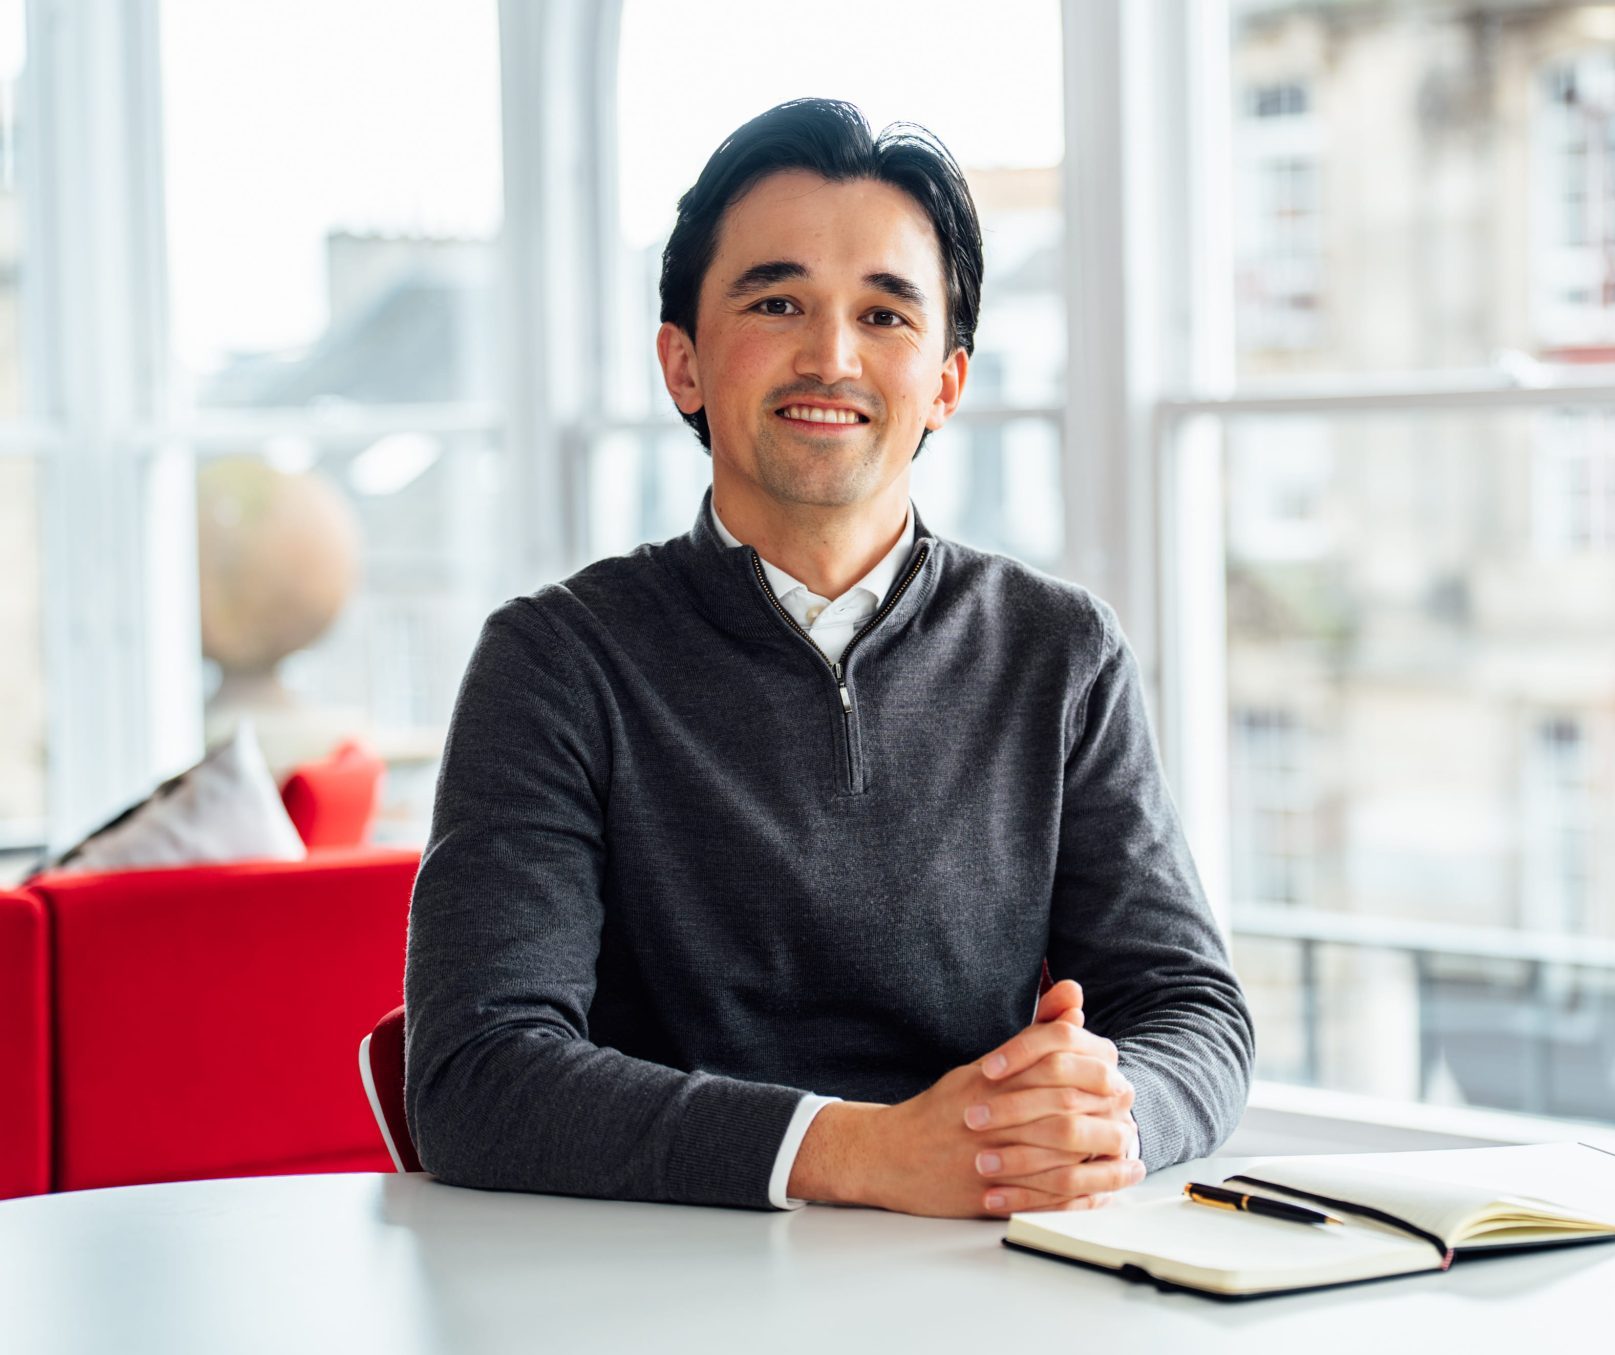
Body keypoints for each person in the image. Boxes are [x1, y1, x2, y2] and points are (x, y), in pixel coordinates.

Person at [404, 97, 1254, 1220]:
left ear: (947, 383)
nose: (831, 355)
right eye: (777, 301)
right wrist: (864, 1151)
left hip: (996, 1276)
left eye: (887, 315)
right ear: (684, 364)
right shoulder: (556, 661)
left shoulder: (1061, 651)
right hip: (656, 1282)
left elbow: (1193, 1010)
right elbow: (477, 1076)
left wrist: (1098, 1117)